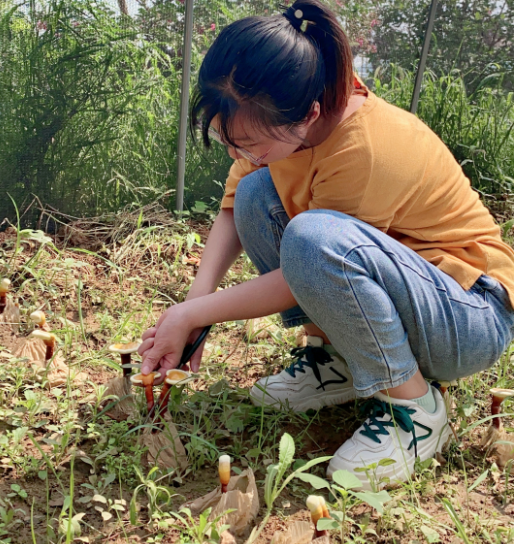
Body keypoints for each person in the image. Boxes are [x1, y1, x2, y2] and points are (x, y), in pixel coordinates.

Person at [138, 0, 514, 490]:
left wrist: (193, 316)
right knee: (256, 193)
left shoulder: (367, 147)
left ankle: (417, 410)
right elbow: (235, 206)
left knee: (313, 238)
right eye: (229, 141)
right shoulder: (278, 123)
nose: (239, 153)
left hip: (467, 318)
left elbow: (312, 265)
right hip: (412, 292)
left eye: (250, 144)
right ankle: (337, 361)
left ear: (309, 113)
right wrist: (195, 300)